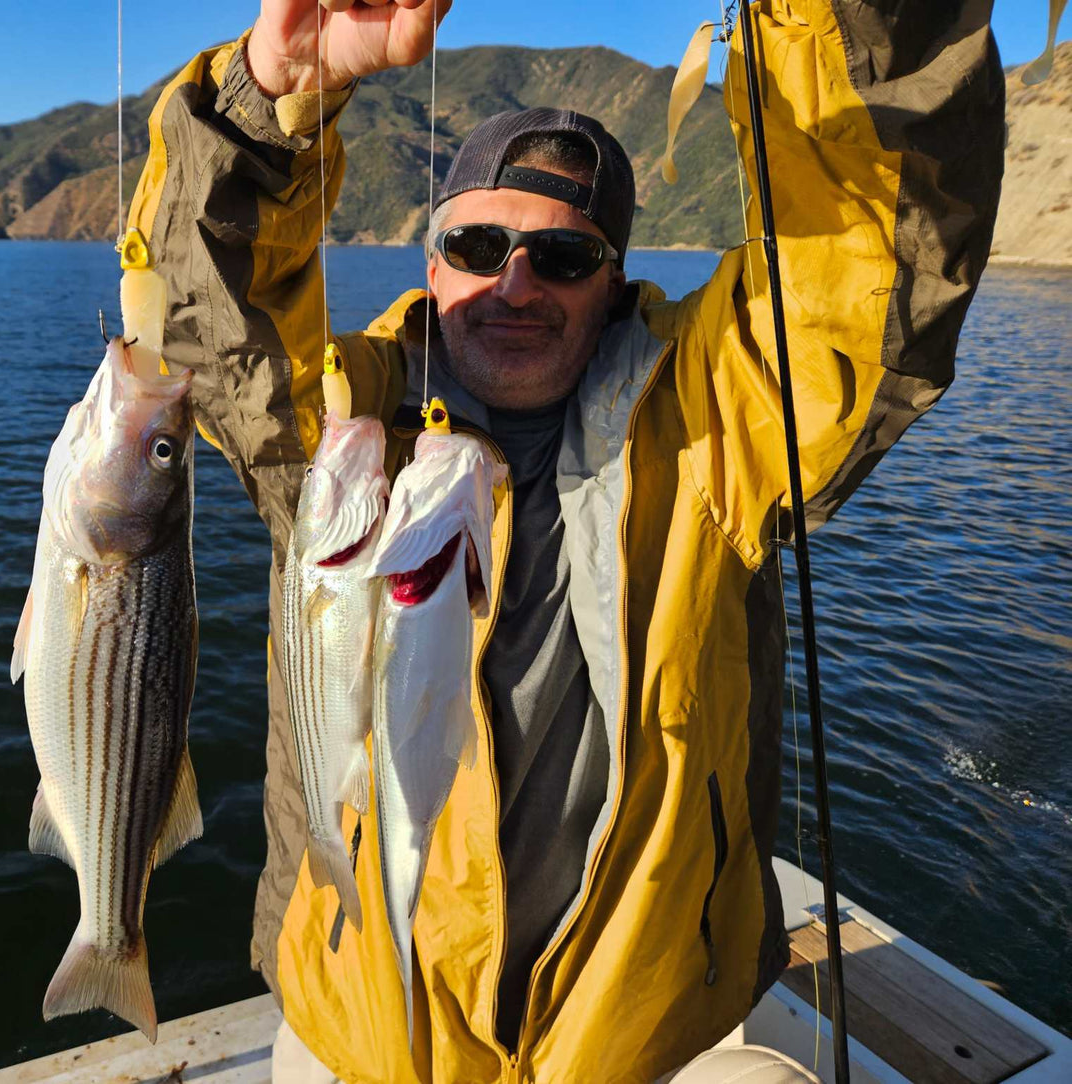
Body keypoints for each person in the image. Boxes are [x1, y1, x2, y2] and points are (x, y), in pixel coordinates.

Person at [121, 0, 1004, 1079]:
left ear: (614, 273)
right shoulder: (335, 427)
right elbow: (199, 318)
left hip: (635, 1035)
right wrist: (276, 86)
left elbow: (867, 259)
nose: (513, 282)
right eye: (476, 244)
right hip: (360, 1025)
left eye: (562, 253)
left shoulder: (721, 422)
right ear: (431, 255)